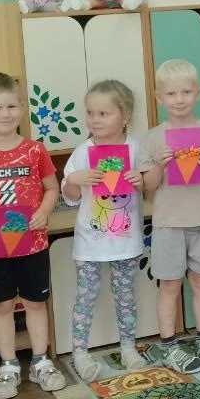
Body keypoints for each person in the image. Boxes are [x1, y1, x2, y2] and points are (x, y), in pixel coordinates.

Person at [0, 73, 65, 399]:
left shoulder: (35, 150)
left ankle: (40, 362)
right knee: (2, 305)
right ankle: (8, 366)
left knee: (36, 303)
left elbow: (51, 188)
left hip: (33, 244)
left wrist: (44, 211)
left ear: (22, 108)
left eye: (10, 106)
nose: (4, 114)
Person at [142, 59, 200, 373]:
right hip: (169, 223)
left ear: (198, 93)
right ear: (159, 97)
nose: (179, 99)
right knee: (169, 284)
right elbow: (148, 186)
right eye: (171, 93)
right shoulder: (154, 137)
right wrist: (159, 165)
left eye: (186, 92)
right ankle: (169, 346)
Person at [61, 79, 148, 382]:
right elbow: (70, 197)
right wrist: (75, 180)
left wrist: (141, 180)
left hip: (126, 241)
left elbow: (151, 185)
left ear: (125, 116)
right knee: (85, 298)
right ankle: (80, 353)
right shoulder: (83, 152)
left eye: (103, 114)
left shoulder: (137, 148)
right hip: (90, 242)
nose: (95, 120)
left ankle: (128, 348)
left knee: (125, 296)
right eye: (90, 113)